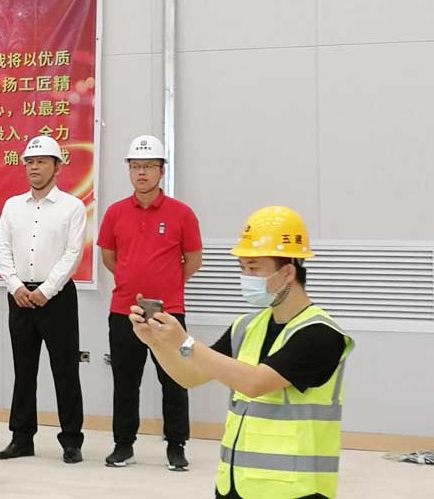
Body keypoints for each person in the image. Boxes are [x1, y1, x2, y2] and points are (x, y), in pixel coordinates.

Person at [129, 206, 354, 499]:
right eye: (243, 268)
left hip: (294, 491)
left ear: (288, 272)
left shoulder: (320, 334)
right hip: (236, 486)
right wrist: (155, 342)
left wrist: (186, 343)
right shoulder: (247, 327)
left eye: (254, 268)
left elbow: (255, 383)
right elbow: (189, 376)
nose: (246, 277)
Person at [99, 134, 203, 470]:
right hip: (124, 311)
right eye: (135, 166)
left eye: (148, 166)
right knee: (125, 382)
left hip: (168, 312)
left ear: (162, 171)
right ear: (129, 170)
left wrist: (167, 284)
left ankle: (176, 445)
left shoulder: (182, 214)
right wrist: (134, 280)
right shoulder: (115, 212)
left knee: (174, 379)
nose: (141, 172)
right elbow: (109, 257)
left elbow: (193, 260)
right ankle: (123, 445)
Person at [0, 136, 88, 464]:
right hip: (19, 297)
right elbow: (2, 250)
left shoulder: (72, 207)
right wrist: (15, 286)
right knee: (23, 370)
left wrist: (46, 290)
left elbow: (73, 254)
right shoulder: (12, 206)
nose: (34, 167)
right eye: (30, 162)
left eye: (41, 162)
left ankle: (71, 440)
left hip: (57, 298)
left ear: (57, 167)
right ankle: (21, 438)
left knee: (65, 370)